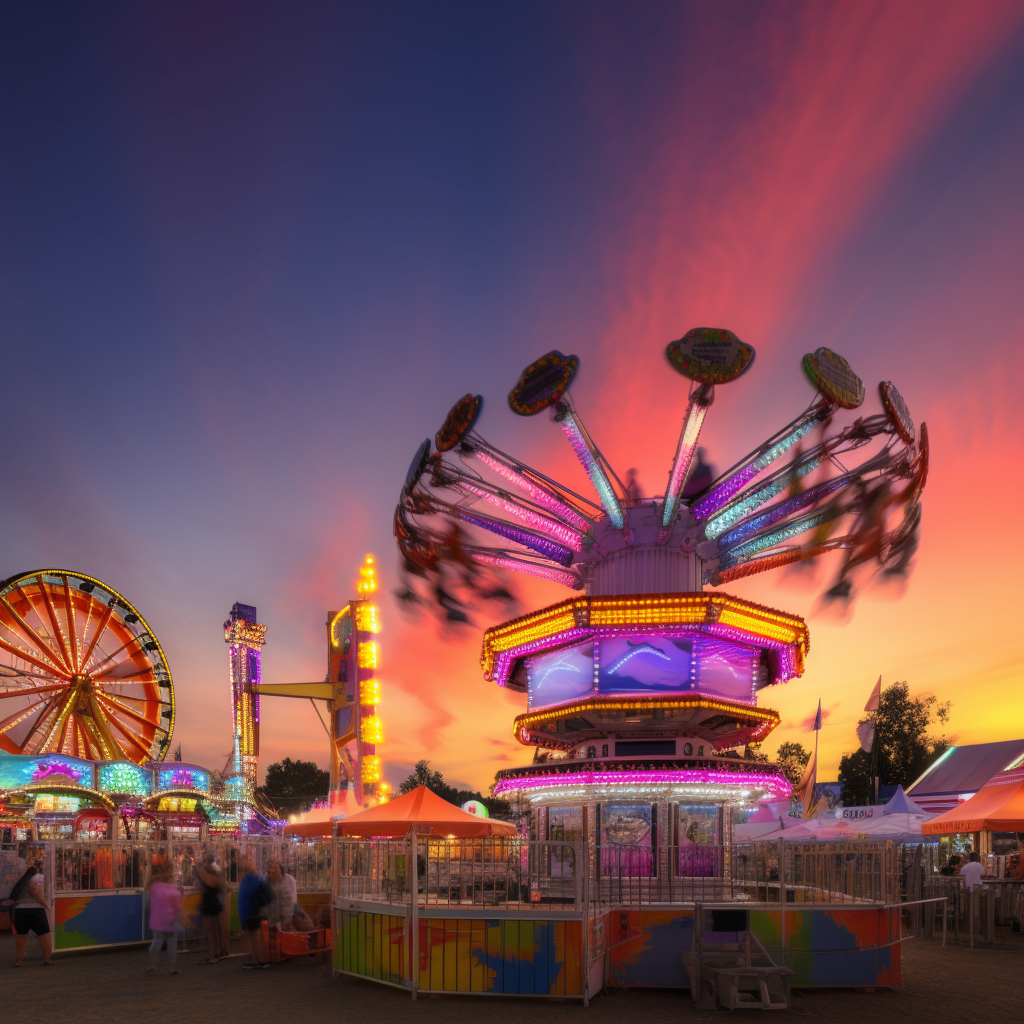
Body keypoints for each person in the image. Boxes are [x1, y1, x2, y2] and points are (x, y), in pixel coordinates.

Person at [10, 860, 52, 966]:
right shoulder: (39, 878)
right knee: (44, 935)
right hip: (36, 909)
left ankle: (19, 960)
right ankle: (47, 958)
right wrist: (46, 905)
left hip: (20, 910)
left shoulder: (19, 878)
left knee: (21, 936)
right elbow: (37, 893)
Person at [146, 867, 184, 975]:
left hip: (157, 922)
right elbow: (178, 907)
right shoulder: (173, 890)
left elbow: (149, 902)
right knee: (172, 944)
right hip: (170, 922)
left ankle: (153, 964)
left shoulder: (154, 888)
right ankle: (172, 967)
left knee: (156, 942)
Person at [237, 858, 271, 969]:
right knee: (255, 935)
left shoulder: (249, 880)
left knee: (253, 936)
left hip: (250, 911)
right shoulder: (256, 879)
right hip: (253, 910)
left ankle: (258, 960)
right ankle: (259, 960)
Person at [195, 854, 228, 963]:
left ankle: (214, 954)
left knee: (211, 930)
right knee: (213, 931)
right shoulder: (215, 873)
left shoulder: (213, 877)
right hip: (212, 903)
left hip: (212, 904)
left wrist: (200, 867)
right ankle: (217, 952)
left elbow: (209, 880)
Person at [266, 860, 298, 934]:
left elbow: (293, 902)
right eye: (269, 867)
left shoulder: (289, 880)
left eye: (273, 867)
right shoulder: (267, 882)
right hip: (272, 923)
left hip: (286, 922)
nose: (271, 870)